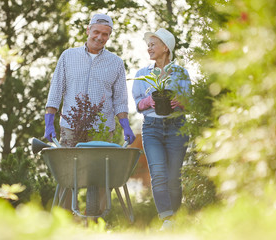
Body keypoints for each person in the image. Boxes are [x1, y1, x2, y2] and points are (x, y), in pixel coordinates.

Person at [44, 13, 136, 214]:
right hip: (70, 126)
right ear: (88, 30)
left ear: (109, 36)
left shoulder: (116, 63)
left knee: (101, 178)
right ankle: (66, 220)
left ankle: (96, 222)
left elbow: (120, 100)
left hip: (101, 129)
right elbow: (56, 90)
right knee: (68, 177)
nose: (100, 37)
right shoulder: (68, 56)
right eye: (96, 32)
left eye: (105, 34)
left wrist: (126, 125)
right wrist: (49, 121)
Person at [132, 28, 191, 230]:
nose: (149, 48)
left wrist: (180, 102)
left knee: (174, 176)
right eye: (148, 45)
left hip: (177, 127)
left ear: (166, 47)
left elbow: (190, 102)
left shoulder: (181, 73)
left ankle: (176, 219)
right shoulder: (142, 75)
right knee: (158, 173)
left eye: (153, 44)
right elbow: (138, 105)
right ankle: (167, 219)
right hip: (152, 129)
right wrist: (148, 101)